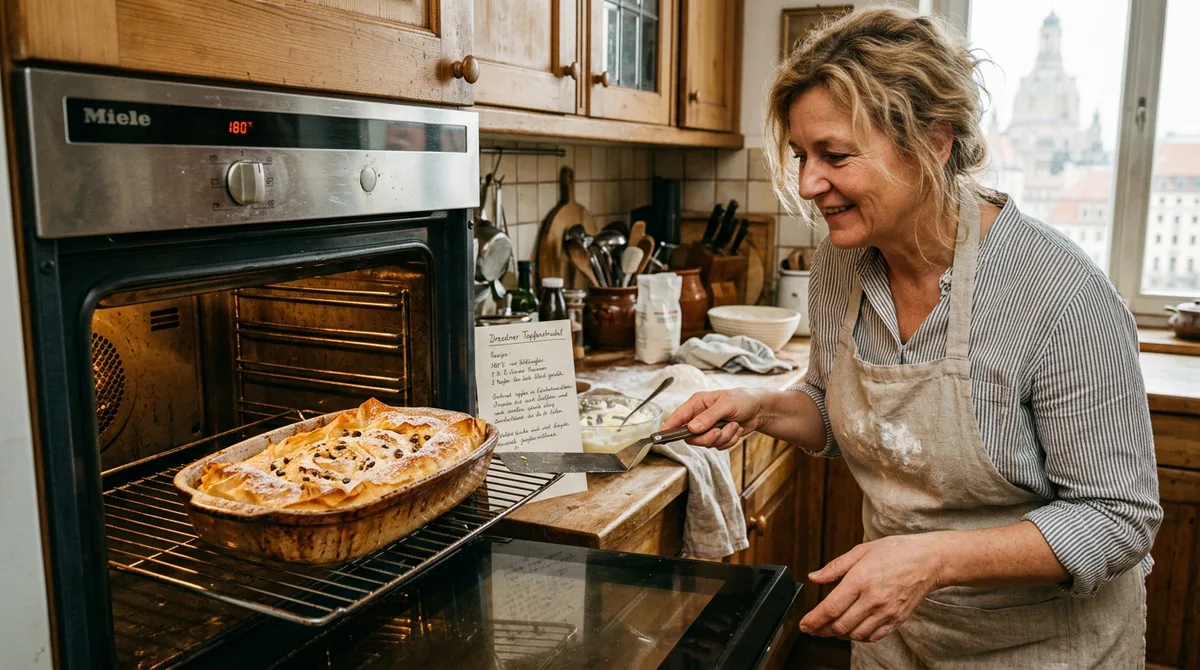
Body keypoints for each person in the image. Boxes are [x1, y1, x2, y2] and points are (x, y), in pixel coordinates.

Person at [662, 7, 1161, 667]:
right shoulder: (843, 263)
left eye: (834, 156)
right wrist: (760, 408)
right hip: (898, 638)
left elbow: (1117, 518)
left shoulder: (1061, 297)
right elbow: (836, 412)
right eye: (802, 156)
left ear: (934, 142)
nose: (809, 185)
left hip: (1044, 648)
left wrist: (930, 560)